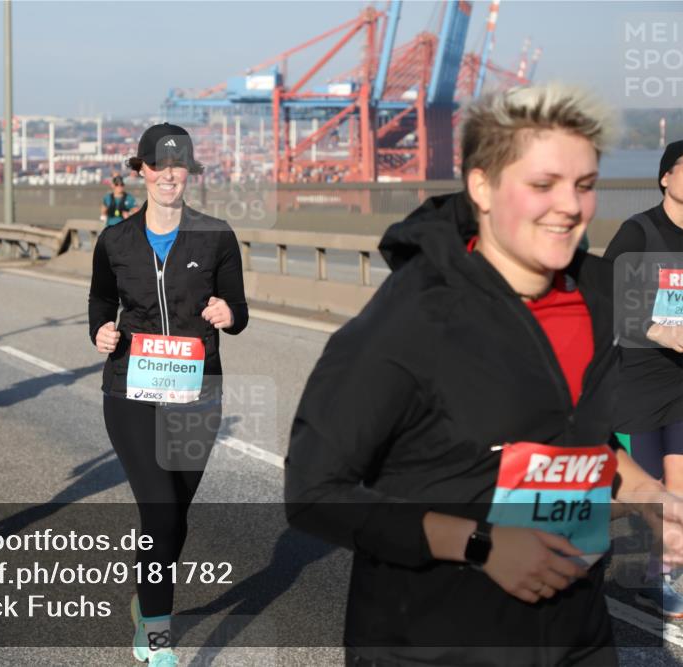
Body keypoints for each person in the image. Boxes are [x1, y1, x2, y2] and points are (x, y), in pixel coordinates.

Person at [285, 84, 683, 665]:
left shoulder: (596, 295)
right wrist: (481, 544)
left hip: (577, 633)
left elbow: (583, 444)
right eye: (543, 184)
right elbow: (314, 492)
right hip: (435, 638)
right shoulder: (412, 316)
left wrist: (652, 499)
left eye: (585, 185)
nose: (570, 205)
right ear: (483, 186)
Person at [88, 123, 248, 666]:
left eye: (178, 166)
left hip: (197, 392)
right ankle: (158, 643)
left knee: (174, 516)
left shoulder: (217, 236)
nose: (168, 175)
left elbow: (240, 310)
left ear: (189, 173)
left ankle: (145, 602)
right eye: (158, 166)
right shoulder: (115, 240)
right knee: (159, 510)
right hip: (129, 388)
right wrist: (100, 332)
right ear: (142, 173)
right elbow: (99, 299)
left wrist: (229, 315)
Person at [604, 139, 683, 616]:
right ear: (665, 178)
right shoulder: (639, 233)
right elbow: (606, 297)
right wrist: (662, 331)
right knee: (646, 490)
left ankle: (667, 576)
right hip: (638, 380)